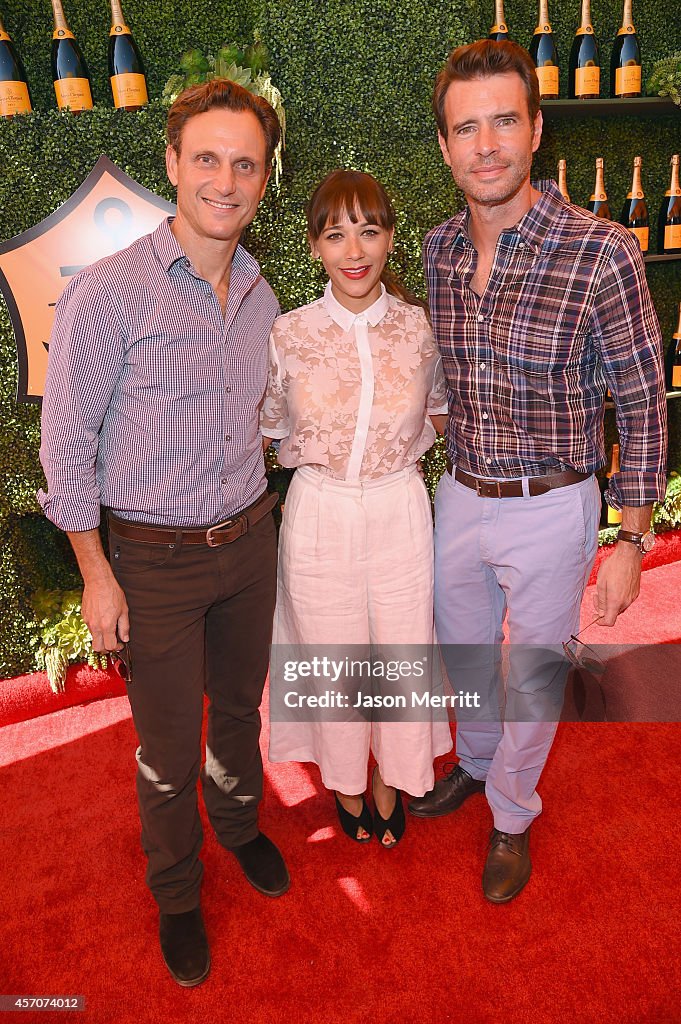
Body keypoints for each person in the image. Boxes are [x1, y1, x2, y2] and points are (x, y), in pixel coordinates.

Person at [38, 79, 289, 987]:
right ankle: (178, 893)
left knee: (238, 713)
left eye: (246, 163)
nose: (226, 179)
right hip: (153, 563)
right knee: (166, 746)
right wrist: (95, 574)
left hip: (250, 543)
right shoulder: (110, 294)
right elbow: (64, 442)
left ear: (266, 179)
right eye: (208, 158)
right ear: (174, 165)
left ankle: (240, 828)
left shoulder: (263, 293)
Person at [408, 40, 667, 901]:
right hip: (458, 494)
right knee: (468, 655)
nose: (485, 145)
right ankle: (477, 766)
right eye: (465, 126)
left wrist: (630, 537)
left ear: (536, 130)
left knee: (535, 672)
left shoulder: (600, 252)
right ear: (444, 146)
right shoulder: (436, 251)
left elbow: (640, 400)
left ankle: (512, 812)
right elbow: (443, 372)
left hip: (554, 508)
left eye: (503, 122)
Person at [261, 170, 453, 848]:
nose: (354, 248)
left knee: (400, 650)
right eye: (335, 233)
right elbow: (268, 425)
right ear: (313, 245)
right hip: (319, 512)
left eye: (368, 230)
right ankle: (344, 779)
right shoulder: (286, 334)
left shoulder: (419, 329)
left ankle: (391, 777)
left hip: (400, 507)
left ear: (389, 238)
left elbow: (438, 412)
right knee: (331, 653)